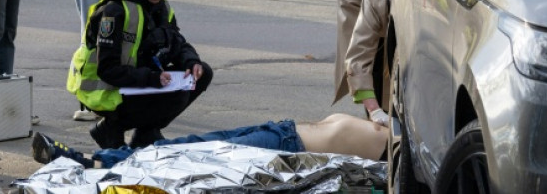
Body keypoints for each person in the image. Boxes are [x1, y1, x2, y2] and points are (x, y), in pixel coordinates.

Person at [67, 0, 212, 149]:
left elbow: (177, 42)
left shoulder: (160, 6)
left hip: (136, 83)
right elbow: (107, 70)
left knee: (202, 74)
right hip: (105, 92)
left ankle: (146, 133)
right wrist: (152, 78)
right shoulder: (114, 11)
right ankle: (111, 127)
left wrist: (192, 62)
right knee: (177, 96)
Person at [31, 113, 388, 169]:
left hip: (289, 146)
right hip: (284, 131)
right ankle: (97, 158)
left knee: (184, 153)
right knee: (184, 144)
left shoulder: (424, 153)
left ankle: (87, 161)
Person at [333, 0, 410, 127]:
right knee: (368, 50)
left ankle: (394, 111)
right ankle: (375, 115)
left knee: (402, 54)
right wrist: (375, 111)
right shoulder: (378, 2)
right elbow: (357, 59)